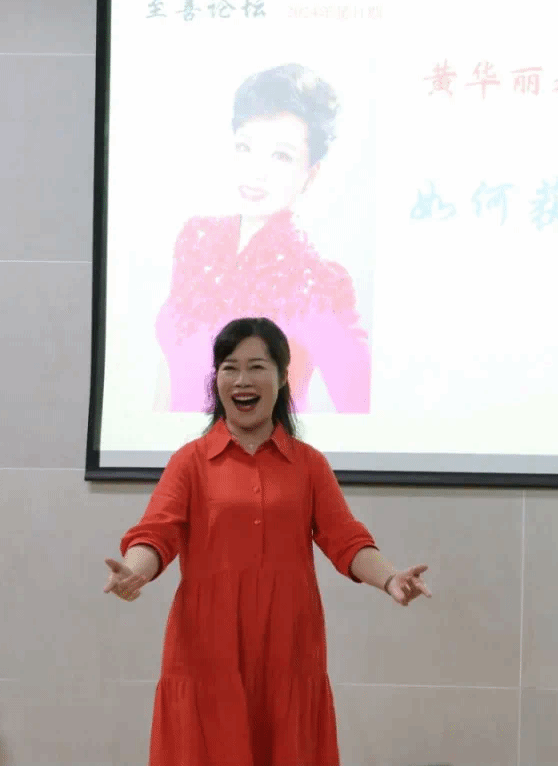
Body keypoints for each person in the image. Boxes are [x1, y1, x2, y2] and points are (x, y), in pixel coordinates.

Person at [107, 316, 430, 766]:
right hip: (207, 645)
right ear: (216, 380)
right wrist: (134, 572)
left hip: (289, 644)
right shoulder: (190, 462)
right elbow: (156, 533)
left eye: (256, 367)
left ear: (281, 378)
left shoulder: (309, 465)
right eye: (229, 367)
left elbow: (347, 539)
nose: (242, 380)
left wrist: (390, 578)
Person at [155, 63, 372, 415]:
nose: (256, 171)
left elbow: (361, 406)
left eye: (281, 155)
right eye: (245, 147)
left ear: (310, 174)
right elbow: (170, 369)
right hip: (176, 448)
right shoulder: (196, 240)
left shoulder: (318, 282)